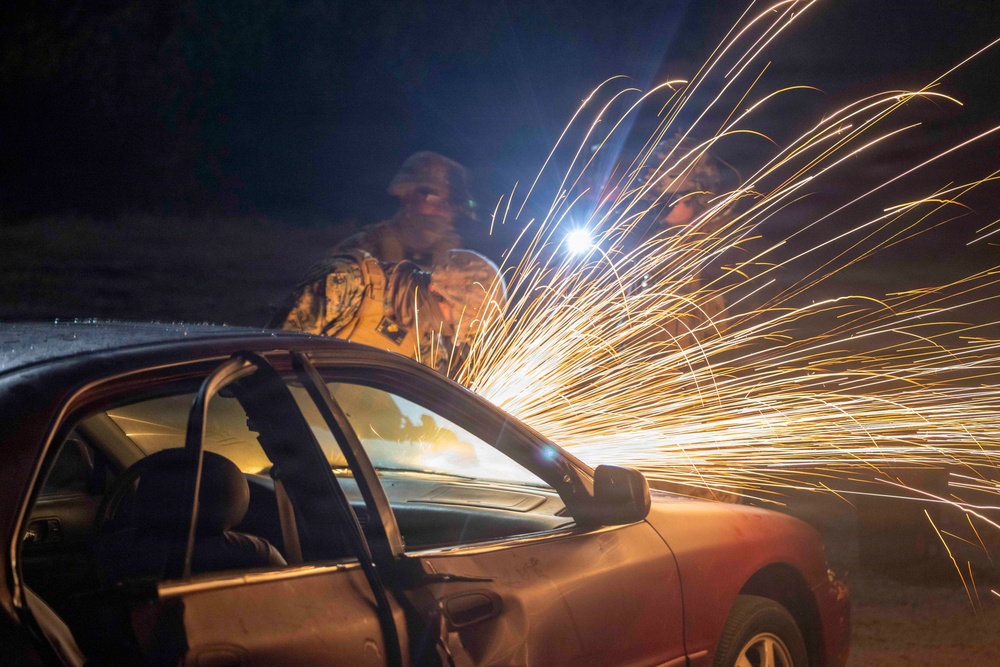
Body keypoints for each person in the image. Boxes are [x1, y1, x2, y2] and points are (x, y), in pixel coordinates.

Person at [268, 248, 505, 377]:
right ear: (436, 290)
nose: (449, 328)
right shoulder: (347, 282)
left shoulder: (427, 346)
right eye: (455, 318)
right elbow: (273, 360)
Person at [334, 151, 476, 269]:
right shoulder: (362, 248)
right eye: (433, 199)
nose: (442, 210)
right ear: (407, 195)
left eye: (450, 204)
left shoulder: (463, 260)